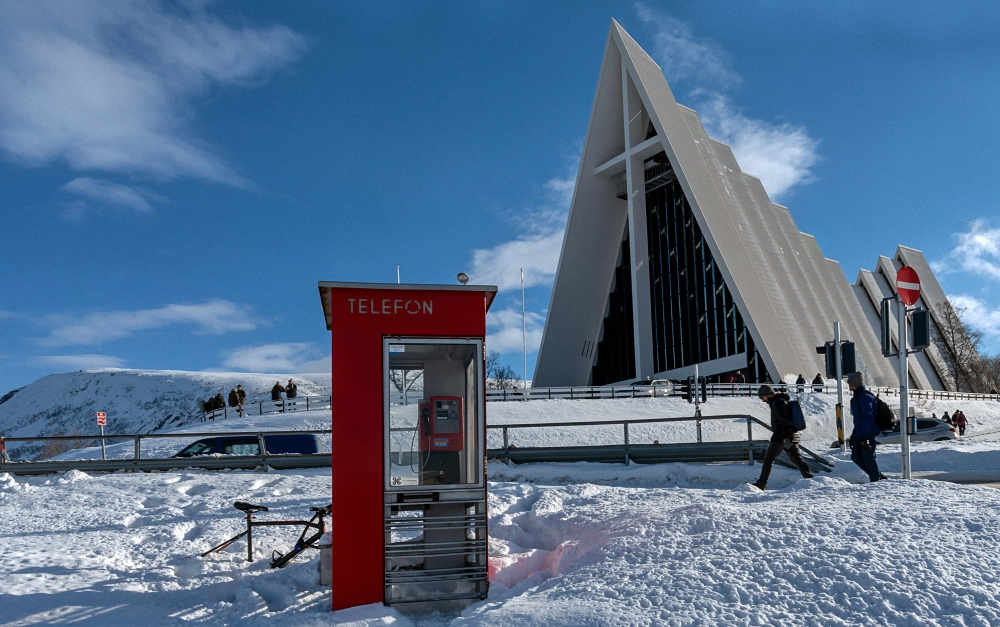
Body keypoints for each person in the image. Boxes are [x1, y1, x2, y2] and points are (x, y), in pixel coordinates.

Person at [750, 384, 813, 490]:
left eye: (762, 397)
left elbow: (785, 421)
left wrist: (785, 438)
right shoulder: (778, 401)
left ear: (768, 395)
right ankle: (810, 480)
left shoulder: (778, 403)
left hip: (782, 436)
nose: (762, 400)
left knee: (769, 459)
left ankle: (761, 484)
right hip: (787, 435)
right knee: (796, 459)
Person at [847, 372, 883, 483]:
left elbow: (868, 417)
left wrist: (865, 437)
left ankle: (876, 481)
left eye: (850, 383)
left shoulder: (864, 397)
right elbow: (858, 420)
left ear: (855, 384)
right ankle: (877, 475)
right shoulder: (858, 396)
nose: (848, 385)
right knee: (856, 457)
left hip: (867, 433)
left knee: (869, 457)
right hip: (860, 432)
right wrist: (854, 435)